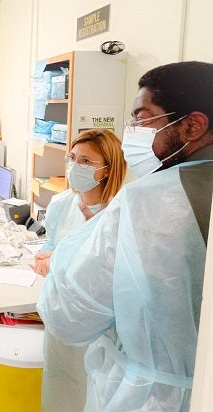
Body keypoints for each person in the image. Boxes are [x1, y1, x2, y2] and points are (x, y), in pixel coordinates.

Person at [37, 61, 213, 411]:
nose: (132, 130)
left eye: (142, 117)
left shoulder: (147, 202)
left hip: (149, 395)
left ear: (192, 125)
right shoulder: (67, 204)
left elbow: (69, 317)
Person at [29, 129, 126, 412]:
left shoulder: (118, 213)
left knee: (93, 389)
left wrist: (56, 264)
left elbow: (116, 274)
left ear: (107, 169)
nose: (73, 166)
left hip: (100, 324)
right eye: (72, 158)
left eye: (85, 161)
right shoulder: (61, 203)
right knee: (60, 382)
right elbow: (49, 247)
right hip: (61, 316)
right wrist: (44, 260)